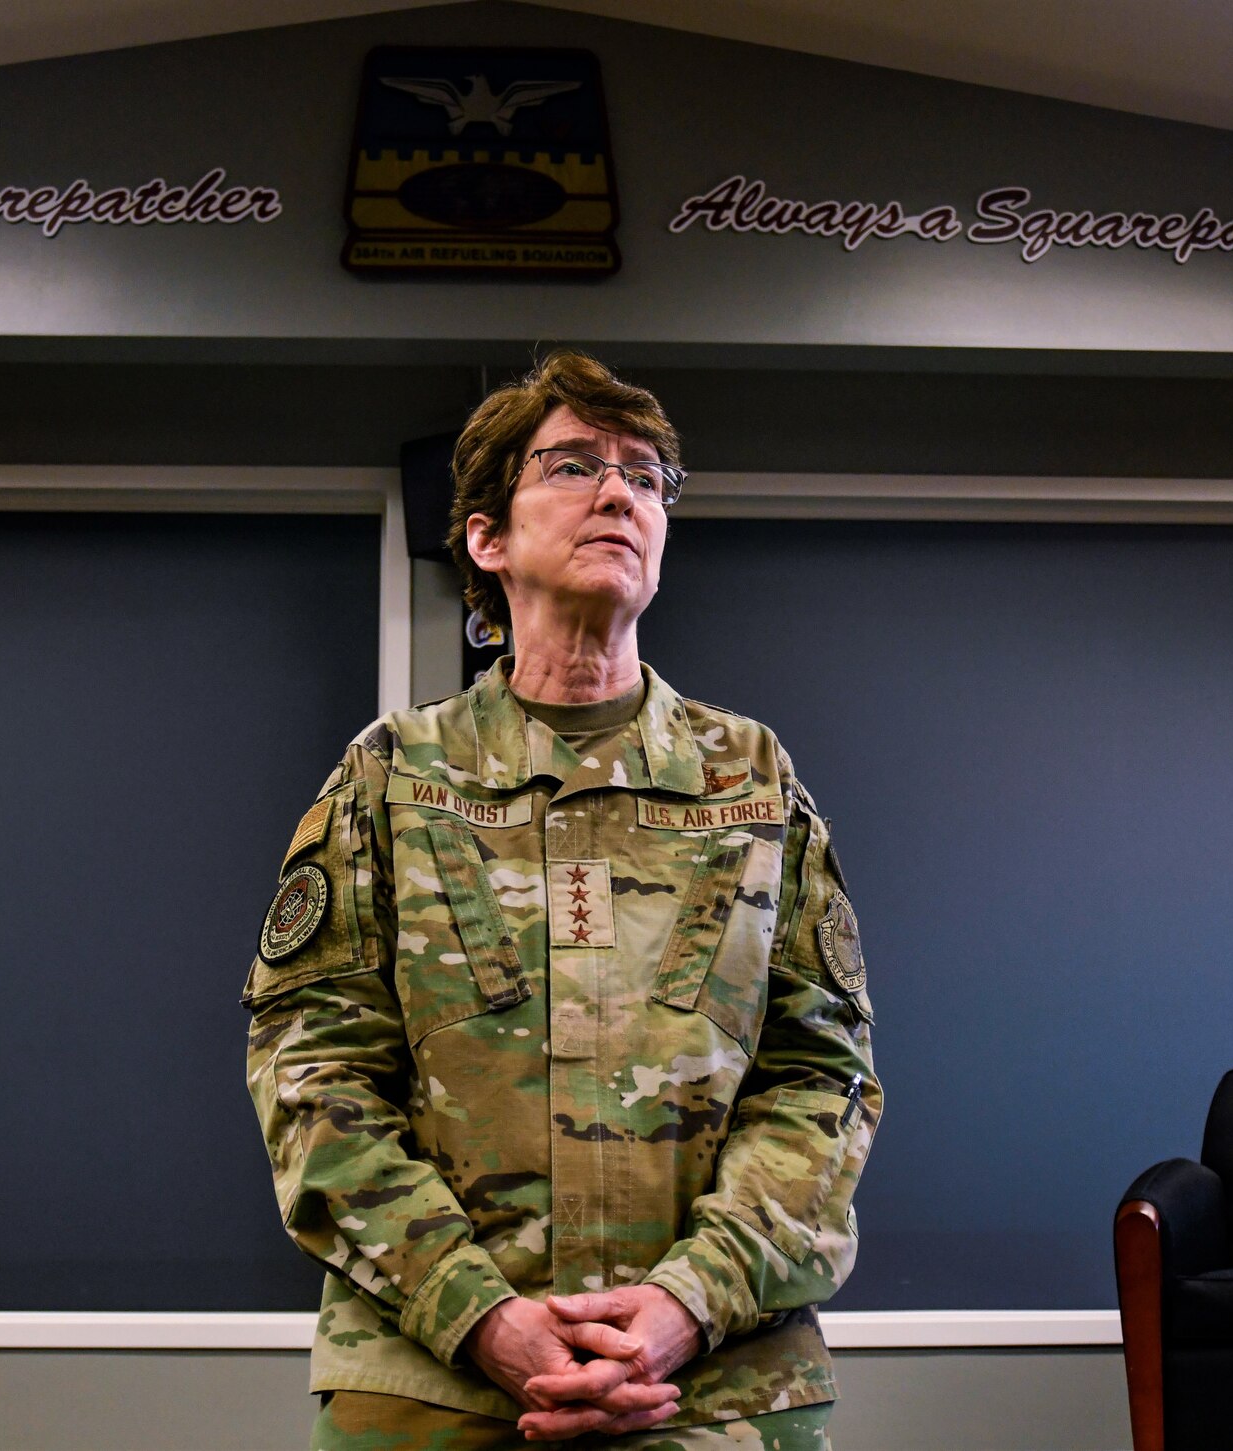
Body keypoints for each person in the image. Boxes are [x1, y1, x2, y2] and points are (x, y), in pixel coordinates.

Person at [244, 350, 881, 1449]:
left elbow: (820, 1075)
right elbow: (314, 1067)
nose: (618, 492)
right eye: (573, 465)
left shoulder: (750, 775)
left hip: (713, 1386)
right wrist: (479, 1315)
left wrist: (688, 1303)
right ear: (487, 539)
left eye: (646, 477)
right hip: (436, 1378)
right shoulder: (392, 773)